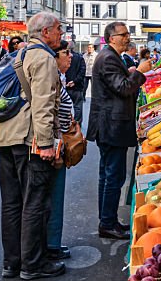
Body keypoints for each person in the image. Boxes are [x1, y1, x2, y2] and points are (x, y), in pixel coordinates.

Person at [0, 12, 67, 280]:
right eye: (58, 29)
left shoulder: (19, 55)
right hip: (28, 138)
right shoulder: (44, 58)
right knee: (34, 201)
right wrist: (46, 143)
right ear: (45, 32)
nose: (61, 33)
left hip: (4, 136)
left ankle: (11, 262)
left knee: (11, 204)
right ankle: (32, 264)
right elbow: (43, 104)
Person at [87, 21, 151, 239]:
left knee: (108, 175)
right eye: (123, 34)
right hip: (112, 126)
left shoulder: (111, 57)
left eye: (128, 34)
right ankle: (107, 223)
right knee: (113, 176)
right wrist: (139, 73)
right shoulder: (108, 59)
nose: (128, 37)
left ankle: (108, 219)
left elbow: (118, 84)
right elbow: (123, 88)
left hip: (110, 125)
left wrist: (130, 72)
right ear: (111, 38)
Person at [46, 41, 77, 261]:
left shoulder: (59, 77)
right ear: (55, 57)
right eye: (66, 52)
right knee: (52, 195)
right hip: (53, 145)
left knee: (54, 195)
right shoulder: (52, 77)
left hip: (56, 142)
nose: (70, 56)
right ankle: (50, 245)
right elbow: (53, 112)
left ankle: (52, 242)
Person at [65, 45, 87, 127]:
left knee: (65, 107)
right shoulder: (79, 57)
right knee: (78, 107)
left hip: (65, 86)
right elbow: (82, 70)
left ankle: (67, 125)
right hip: (77, 86)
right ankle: (77, 126)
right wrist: (75, 81)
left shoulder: (62, 58)